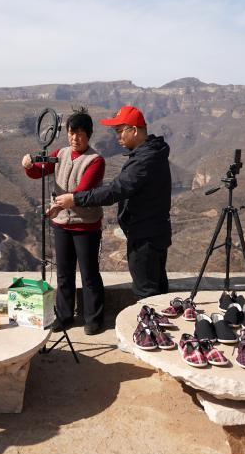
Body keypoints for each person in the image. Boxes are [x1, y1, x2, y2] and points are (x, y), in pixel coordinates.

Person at [53, 105, 172, 298]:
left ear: (134, 130)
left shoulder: (145, 160)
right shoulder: (151, 153)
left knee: (147, 293)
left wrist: (75, 199)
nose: (117, 137)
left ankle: (150, 317)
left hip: (145, 239)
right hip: (153, 233)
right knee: (158, 290)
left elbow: (114, 191)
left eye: (119, 131)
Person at [25, 110, 107, 335]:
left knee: (89, 274)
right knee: (63, 273)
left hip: (86, 226)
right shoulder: (60, 154)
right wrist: (28, 165)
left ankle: (93, 318)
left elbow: (82, 191)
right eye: (72, 133)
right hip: (61, 225)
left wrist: (58, 207)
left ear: (89, 135)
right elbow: (38, 172)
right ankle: (64, 316)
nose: (75, 138)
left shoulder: (95, 160)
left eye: (80, 133)